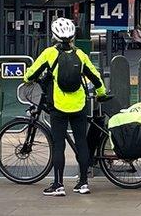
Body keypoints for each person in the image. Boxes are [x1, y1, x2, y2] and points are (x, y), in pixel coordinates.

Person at [23, 17, 106, 196]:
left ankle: (58, 185)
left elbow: (30, 74)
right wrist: (101, 93)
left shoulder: (49, 54)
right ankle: (83, 183)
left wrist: (28, 79)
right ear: (72, 36)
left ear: (54, 36)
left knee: (58, 144)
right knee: (81, 142)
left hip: (58, 106)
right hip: (78, 105)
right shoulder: (80, 55)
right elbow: (96, 77)